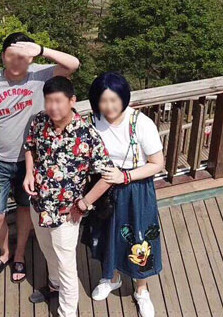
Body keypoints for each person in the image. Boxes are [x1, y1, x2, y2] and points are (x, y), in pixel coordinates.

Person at [0, 32, 80, 282]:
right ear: (3, 56)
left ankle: (19, 253)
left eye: (22, 56)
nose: (16, 61)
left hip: (32, 161)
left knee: (25, 209)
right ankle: (5, 252)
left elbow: (73, 65)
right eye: (11, 55)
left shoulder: (40, 74)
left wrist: (41, 50)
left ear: (30, 58)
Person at [23, 76, 113, 317]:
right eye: (48, 101)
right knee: (46, 249)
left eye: (58, 101)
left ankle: (67, 312)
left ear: (72, 101)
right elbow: (30, 147)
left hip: (67, 211)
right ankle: (54, 285)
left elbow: (108, 175)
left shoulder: (87, 135)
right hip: (38, 203)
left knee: (66, 263)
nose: (52, 107)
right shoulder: (40, 120)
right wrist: (29, 173)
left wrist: (84, 203)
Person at [83, 72, 165, 317]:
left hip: (135, 188)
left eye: (114, 100)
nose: (108, 106)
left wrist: (125, 177)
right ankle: (112, 276)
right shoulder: (93, 121)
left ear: (124, 98)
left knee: (139, 236)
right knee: (107, 233)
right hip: (103, 186)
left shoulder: (140, 123)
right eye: (103, 100)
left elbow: (157, 163)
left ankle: (141, 289)